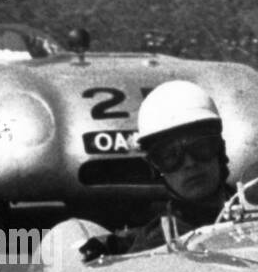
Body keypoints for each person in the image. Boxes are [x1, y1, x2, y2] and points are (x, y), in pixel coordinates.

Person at [79, 81, 236, 259]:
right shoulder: (153, 245)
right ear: (156, 168)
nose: (190, 163)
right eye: (171, 156)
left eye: (200, 147)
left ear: (220, 150)